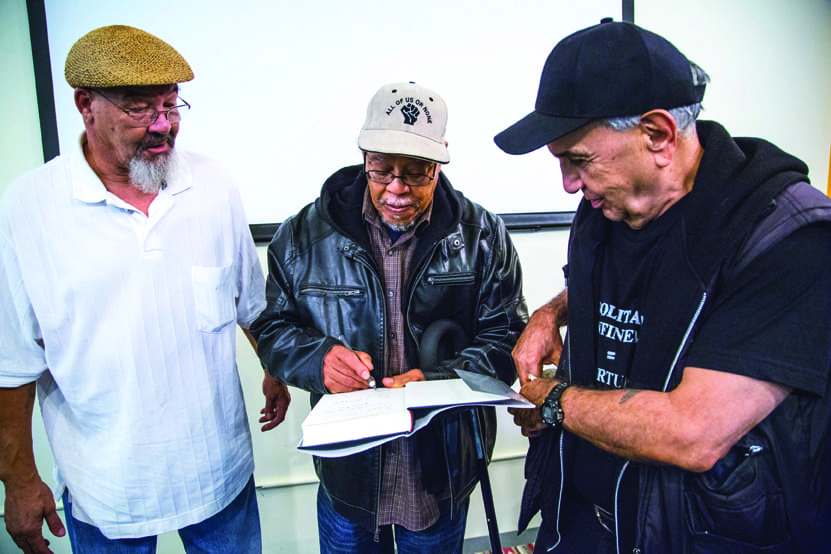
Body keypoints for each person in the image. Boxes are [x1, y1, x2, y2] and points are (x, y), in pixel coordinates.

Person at [494, 18, 831, 553]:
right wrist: (551, 313)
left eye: (578, 160)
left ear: (657, 134)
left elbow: (692, 433)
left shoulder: (785, 239)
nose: (569, 184)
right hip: (580, 521)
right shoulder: (609, 204)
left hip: (690, 537)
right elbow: (619, 286)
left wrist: (552, 400)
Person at [0, 25, 290, 554]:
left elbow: (250, 302)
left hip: (218, 471)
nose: (163, 125)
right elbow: (11, 364)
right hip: (106, 489)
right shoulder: (28, 208)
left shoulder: (213, 185)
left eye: (171, 105)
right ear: (86, 105)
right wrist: (19, 480)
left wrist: (274, 367)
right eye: (139, 108)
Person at [250, 81, 527, 553]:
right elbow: (272, 328)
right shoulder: (303, 236)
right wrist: (318, 360)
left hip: (440, 472)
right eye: (382, 169)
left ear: (440, 163)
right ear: (364, 158)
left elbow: (508, 335)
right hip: (348, 475)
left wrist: (437, 380)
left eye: (416, 173)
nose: (397, 188)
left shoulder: (482, 235)